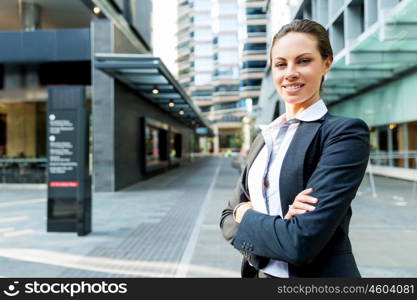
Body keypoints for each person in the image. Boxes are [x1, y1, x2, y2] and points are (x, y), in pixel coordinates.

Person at [220, 19, 370, 278]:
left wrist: (245, 213)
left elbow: (300, 242)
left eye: (303, 61)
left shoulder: (342, 134)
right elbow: (225, 219)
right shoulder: (264, 138)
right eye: (280, 64)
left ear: (326, 63)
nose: (290, 72)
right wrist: (277, 225)